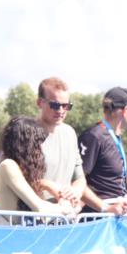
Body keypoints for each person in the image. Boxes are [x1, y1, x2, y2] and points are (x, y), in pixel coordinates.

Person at [79, 87, 127, 216]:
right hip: (99, 219)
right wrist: (105, 208)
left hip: (117, 214)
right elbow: (77, 182)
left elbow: (122, 181)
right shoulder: (94, 136)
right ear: (125, 110)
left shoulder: (114, 136)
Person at [0, 117, 76, 219]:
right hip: (17, 233)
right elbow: (41, 209)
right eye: (36, 144)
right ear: (25, 145)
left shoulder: (17, 169)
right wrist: (64, 206)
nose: (40, 150)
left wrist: (50, 186)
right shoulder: (8, 165)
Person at [35, 77, 85, 211]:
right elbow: (17, 179)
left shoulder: (70, 133)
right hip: (35, 217)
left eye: (67, 106)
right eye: (55, 105)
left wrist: (75, 192)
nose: (61, 110)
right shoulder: (26, 133)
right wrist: (51, 187)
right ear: (40, 102)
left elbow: (79, 178)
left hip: (65, 216)